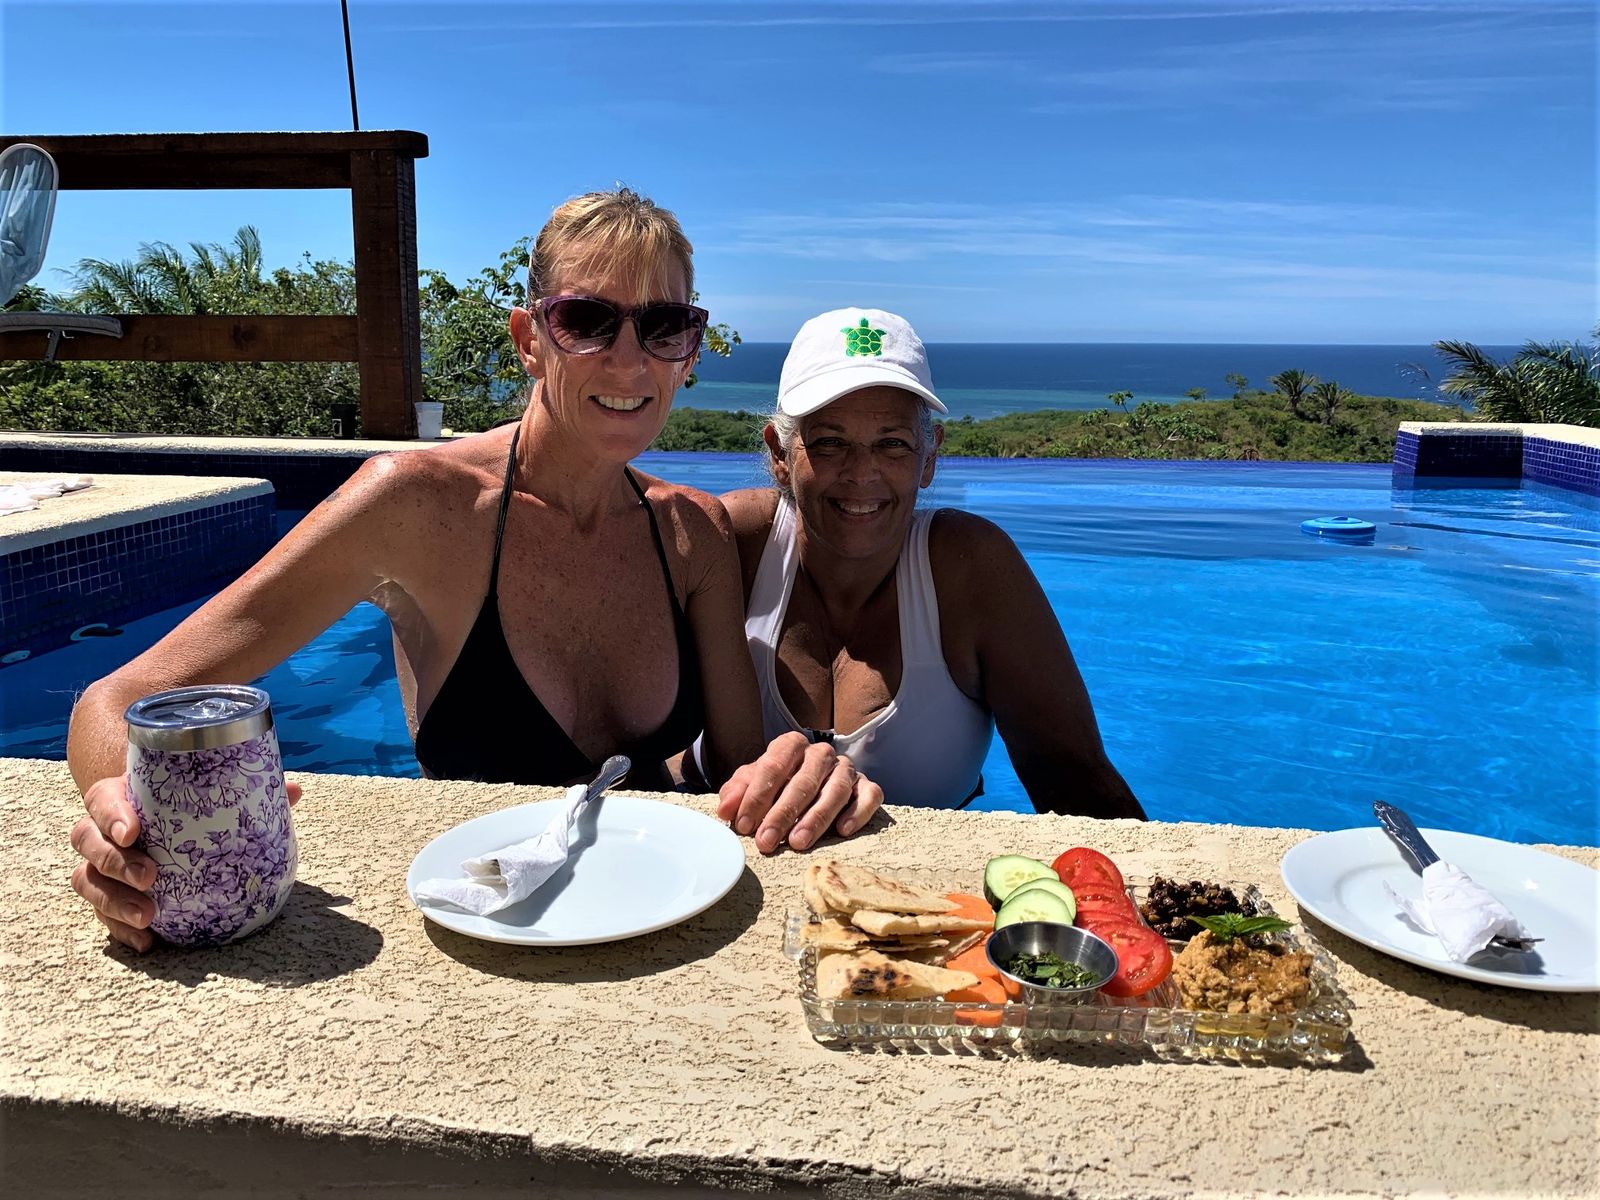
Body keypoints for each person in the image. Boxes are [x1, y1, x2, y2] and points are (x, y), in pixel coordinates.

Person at [66, 190, 880, 951]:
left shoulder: (691, 534)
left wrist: (800, 771)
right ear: (529, 339)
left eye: (663, 326)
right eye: (587, 320)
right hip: (471, 936)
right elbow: (117, 699)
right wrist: (131, 826)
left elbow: (738, 772)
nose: (630, 361)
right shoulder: (418, 506)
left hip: (652, 918)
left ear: (689, 351)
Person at [709, 308, 1145, 819]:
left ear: (929, 458)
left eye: (892, 444)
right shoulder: (733, 542)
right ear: (780, 454)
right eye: (830, 442)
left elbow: (1073, 778)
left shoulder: (970, 570)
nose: (862, 473)